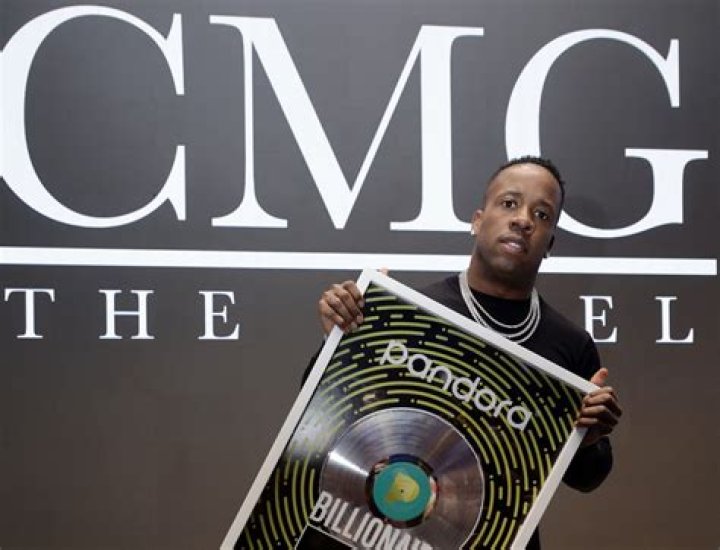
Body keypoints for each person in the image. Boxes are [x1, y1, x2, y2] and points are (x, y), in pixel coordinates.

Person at [314, 156, 623, 549]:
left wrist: (588, 439)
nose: (523, 220)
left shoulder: (570, 346)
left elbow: (587, 477)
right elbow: (322, 413)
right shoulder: (408, 315)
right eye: (509, 204)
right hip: (387, 532)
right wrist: (341, 341)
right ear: (478, 220)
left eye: (541, 214)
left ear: (549, 244)